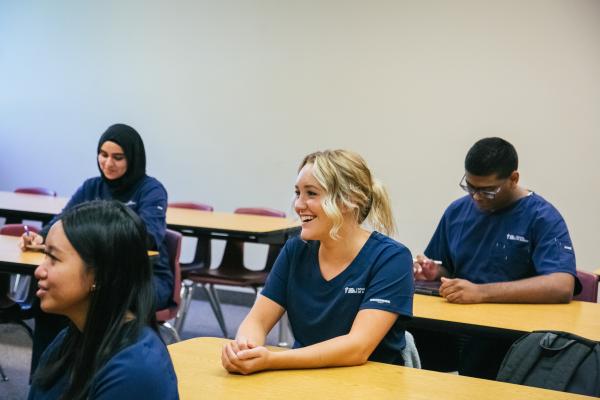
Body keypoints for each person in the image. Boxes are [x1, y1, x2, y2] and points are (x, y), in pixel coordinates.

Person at [221, 149, 413, 375]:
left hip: (369, 385)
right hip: (304, 375)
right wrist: (245, 347)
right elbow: (257, 321)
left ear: (348, 201)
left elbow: (357, 348)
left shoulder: (391, 258)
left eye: (311, 193)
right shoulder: (295, 250)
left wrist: (271, 360)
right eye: (297, 193)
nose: (299, 205)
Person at [412, 137, 579, 379]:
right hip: (456, 324)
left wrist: (481, 293)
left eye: (488, 190)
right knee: (409, 338)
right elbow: (448, 269)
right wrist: (435, 273)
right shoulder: (458, 211)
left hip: (510, 336)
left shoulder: (542, 217)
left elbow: (562, 286)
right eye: (470, 187)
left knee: (482, 358)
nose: (477, 197)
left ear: (513, 179)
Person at [20, 123, 173, 372]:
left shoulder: (151, 190)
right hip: (94, 273)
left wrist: (92, 239)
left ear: (133, 158)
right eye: (103, 155)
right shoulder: (92, 187)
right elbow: (62, 221)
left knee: (97, 297)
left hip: (147, 277)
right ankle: (46, 375)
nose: (108, 163)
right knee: (48, 297)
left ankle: (99, 373)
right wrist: (40, 237)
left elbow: (148, 237)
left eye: (118, 157)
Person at [28, 200, 178, 399]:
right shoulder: (71, 338)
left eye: (53, 258)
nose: (39, 270)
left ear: (99, 275)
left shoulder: (133, 371)